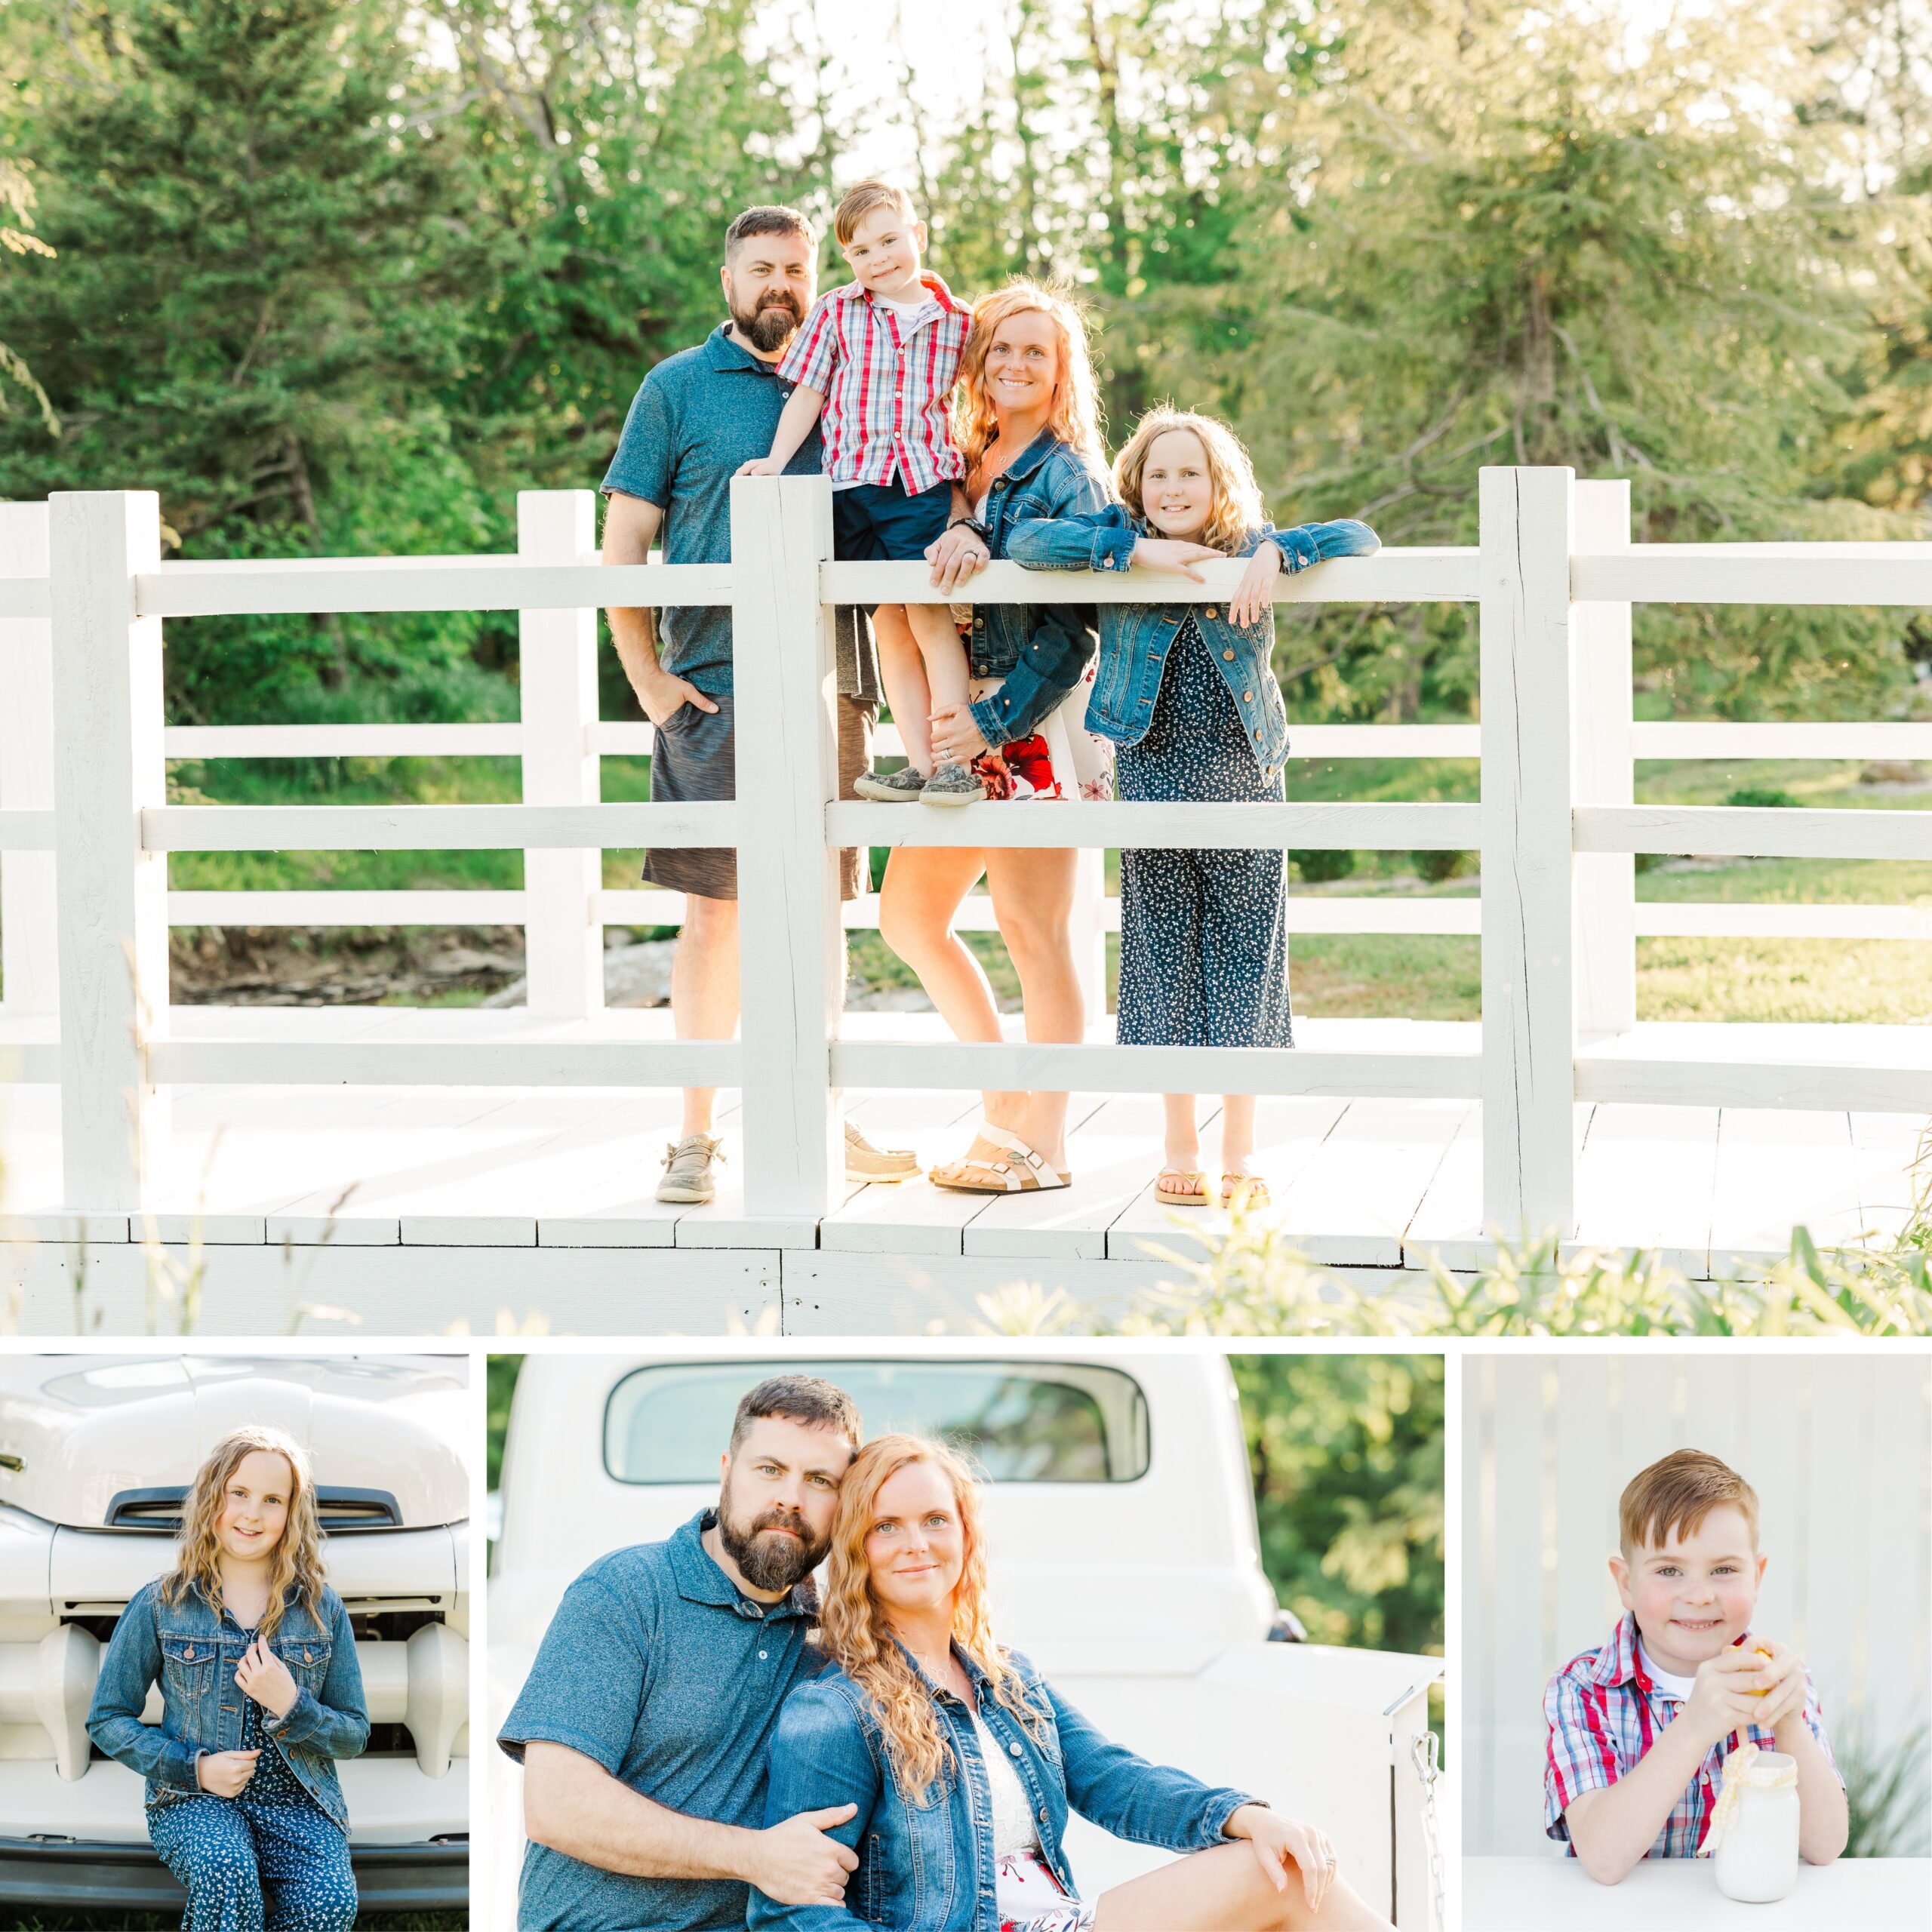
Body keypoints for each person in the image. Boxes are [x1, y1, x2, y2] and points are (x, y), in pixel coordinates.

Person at [749, 1434, 1396, 1932]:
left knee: (1282, 1866)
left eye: (935, 1519)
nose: (915, 1543)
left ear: (965, 1533)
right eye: (885, 1526)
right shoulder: (834, 1711)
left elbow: (1117, 1782)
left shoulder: (1009, 1681)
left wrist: (1246, 1815)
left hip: (1058, 1919)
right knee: (1276, 1876)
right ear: (859, 1551)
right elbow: (791, 1915)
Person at [600, 202, 916, 1204]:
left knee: (821, 917)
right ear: (728, 283)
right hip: (712, 689)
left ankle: (817, 1115)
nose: (780, 285)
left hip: (836, 693)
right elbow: (622, 550)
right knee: (715, 922)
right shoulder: (677, 390)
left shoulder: (854, 375)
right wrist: (648, 682)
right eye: (762, 269)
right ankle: (693, 1138)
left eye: (796, 270)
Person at [1009, 407, 1379, 1208]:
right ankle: (1179, 1143)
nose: (1174, 486)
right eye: (1159, 472)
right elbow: (1028, 544)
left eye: (1191, 473)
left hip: (1245, 767)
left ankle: (1240, 1149)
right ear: (1135, 482)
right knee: (1163, 946)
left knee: (1247, 952)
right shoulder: (1117, 541)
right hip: (1152, 764)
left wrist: (1283, 550)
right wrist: (1132, 549)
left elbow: (1361, 536)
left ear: (1219, 484)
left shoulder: (1251, 549)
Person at [873, 278, 1113, 1195]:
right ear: (976, 359)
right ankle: (1006, 1106)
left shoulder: (1068, 474)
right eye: (1000, 347)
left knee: (1032, 930)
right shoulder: (954, 457)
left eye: (1036, 352)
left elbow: (1075, 627)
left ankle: (1042, 1143)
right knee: (908, 919)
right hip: (953, 721)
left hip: (1028, 716)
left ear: (1060, 374)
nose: (1015, 364)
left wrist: (992, 721)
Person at [498, 1376, 867, 1932]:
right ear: (727, 1469)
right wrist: (756, 1857)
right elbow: (557, 1805)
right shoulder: (627, 1591)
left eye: (820, 1480)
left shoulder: (836, 1637)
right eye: (769, 1469)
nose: (790, 1498)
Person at [740, 180, 983, 804]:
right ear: (847, 259)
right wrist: (775, 461)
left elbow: (978, 408)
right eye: (860, 251)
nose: (878, 260)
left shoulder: (960, 323)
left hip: (918, 486)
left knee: (928, 617)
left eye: (889, 242)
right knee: (888, 626)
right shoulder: (836, 312)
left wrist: (967, 492)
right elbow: (811, 393)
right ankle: (923, 765)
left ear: (917, 237)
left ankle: (958, 762)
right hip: (851, 488)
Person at [85, 1426, 368, 1932]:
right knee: (225, 1867)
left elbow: (353, 1734)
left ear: (292, 1514)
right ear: (213, 1495)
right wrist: (196, 1769)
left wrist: (292, 1704)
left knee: (330, 1900)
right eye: (238, 1493)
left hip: (298, 1801)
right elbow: (107, 1718)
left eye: (272, 1500)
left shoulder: (322, 1609)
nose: (253, 1513)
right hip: (194, 1799)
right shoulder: (161, 1603)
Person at [1543, 1448, 1847, 1883]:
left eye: (1723, 1569)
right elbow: (1602, 1858)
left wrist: (1789, 1724)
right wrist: (1694, 1726)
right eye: (1669, 1571)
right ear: (1627, 1584)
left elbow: (1826, 1845)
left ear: (1756, 1578)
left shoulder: (1779, 1679)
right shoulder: (1583, 1688)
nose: (1700, 1594)